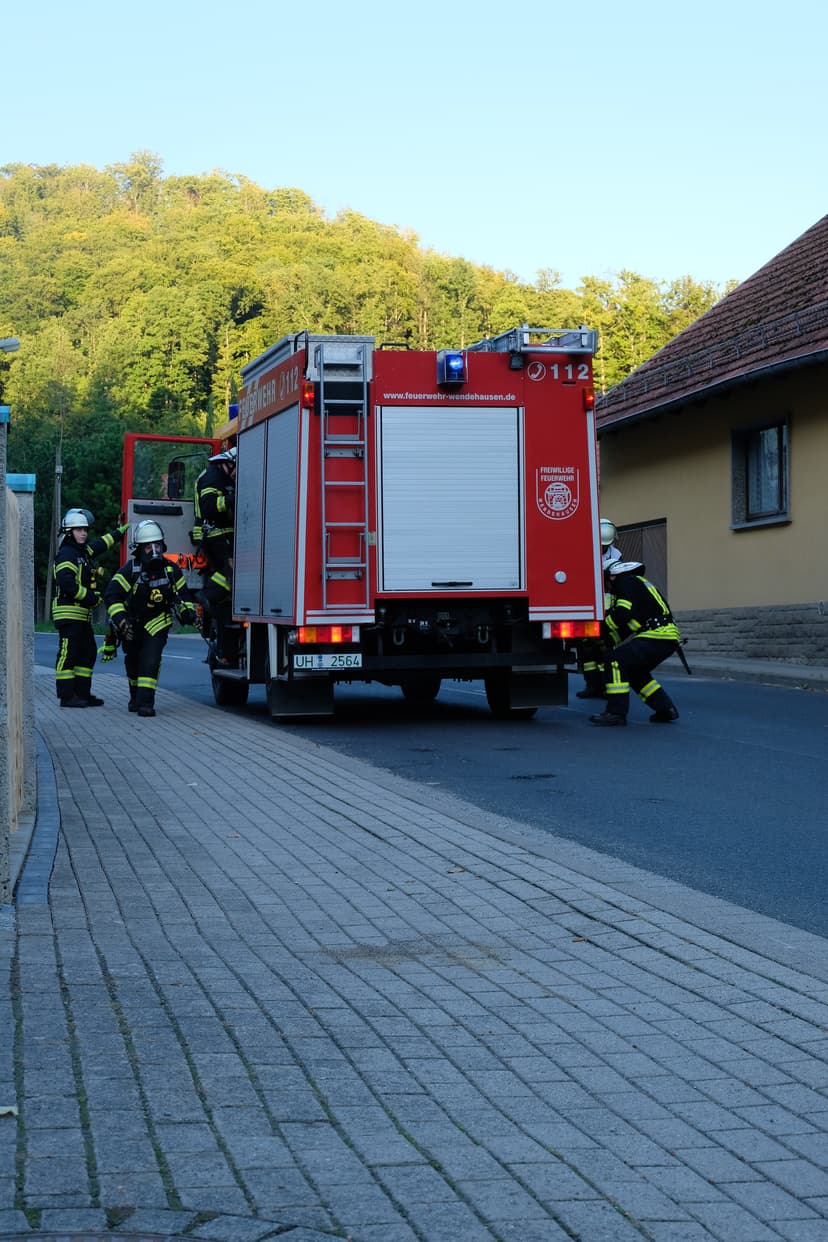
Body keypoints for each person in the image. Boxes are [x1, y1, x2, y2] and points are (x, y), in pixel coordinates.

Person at [104, 520, 198, 717]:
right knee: (133, 662)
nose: (154, 551)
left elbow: (184, 596)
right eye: (148, 547)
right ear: (139, 549)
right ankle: (135, 696)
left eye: (157, 546)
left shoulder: (171, 570)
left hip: (158, 622)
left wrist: (188, 612)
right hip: (132, 624)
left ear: (162, 546)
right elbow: (112, 595)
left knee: (150, 661)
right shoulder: (130, 570)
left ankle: (146, 703)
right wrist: (121, 620)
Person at [589, 559, 682, 727]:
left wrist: (599, 629)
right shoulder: (637, 584)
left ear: (612, 575)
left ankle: (615, 713)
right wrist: (608, 640)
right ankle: (665, 709)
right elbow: (630, 625)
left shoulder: (626, 582)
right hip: (665, 637)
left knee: (615, 661)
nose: (606, 587)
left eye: (604, 580)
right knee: (635, 673)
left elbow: (622, 614)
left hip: (657, 635)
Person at [52, 508, 127, 708]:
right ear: (69, 532)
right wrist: (91, 598)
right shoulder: (67, 554)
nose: (83, 533)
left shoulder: (81, 552)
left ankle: (82, 694)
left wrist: (119, 533)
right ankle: (67, 696)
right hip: (68, 613)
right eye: (78, 530)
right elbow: (66, 582)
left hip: (81, 615)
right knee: (68, 654)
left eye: (85, 529)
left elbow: (100, 545)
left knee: (88, 652)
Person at [193, 446, 236, 660]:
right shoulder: (213, 477)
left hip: (222, 533)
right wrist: (231, 500)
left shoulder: (221, 476)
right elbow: (209, 506)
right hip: (213, 534)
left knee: (230, 572)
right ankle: (207, 596)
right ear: (226, 463)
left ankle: (211, 597)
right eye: (235, 468)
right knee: (231, 570)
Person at [577, 518, 622, 699]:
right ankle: (592, 685)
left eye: (605, 546)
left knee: (606, 647)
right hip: (588, 608)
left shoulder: (616, 555)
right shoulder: (583, 550)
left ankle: (606, 685)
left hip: (608, 609)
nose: (602, 549)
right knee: (587, 648)